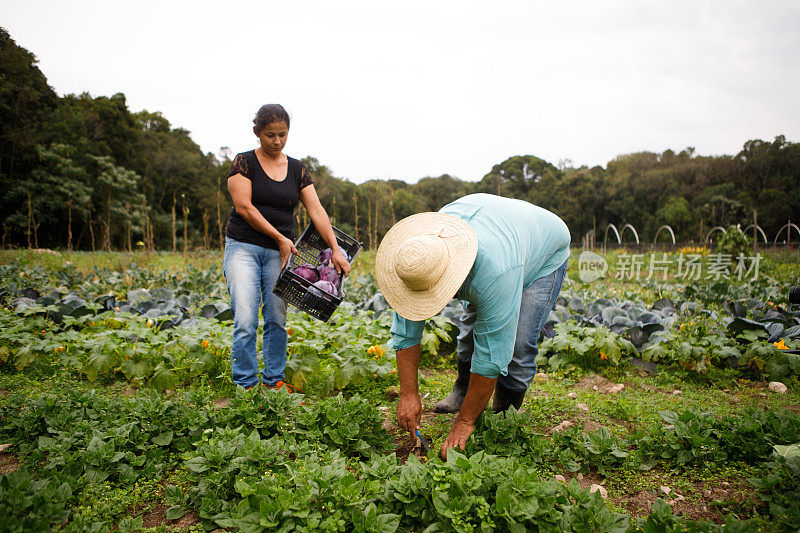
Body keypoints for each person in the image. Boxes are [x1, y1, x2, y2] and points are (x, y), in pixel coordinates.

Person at [375, 193, 570, 458]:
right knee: (469, 332)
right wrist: (408, 394)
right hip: (495, 226)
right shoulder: (417, 259)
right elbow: (405, 332)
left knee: (518, 344)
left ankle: (502, 419)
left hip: (544, 249)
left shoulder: (495, 271)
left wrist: (464, 424)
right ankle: (463, 388)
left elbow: (492, 354)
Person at [223, 104, 349, 391]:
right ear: (257, 133)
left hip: (281, 253)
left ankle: (273, 380)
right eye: (270, 135)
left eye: (282, 134)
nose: (277, 141)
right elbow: (243, 206)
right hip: (243, 247)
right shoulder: (244, 162)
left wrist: (336, 249)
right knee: (245, 317)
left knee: (277, 317)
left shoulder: (296, 168)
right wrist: (279, 237)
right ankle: (245, 383)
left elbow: (316, 211)